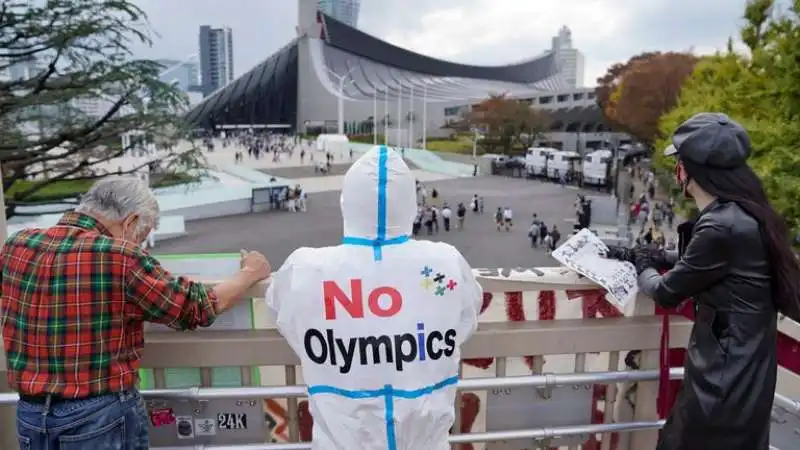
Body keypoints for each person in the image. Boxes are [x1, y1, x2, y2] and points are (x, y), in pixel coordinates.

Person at [0, 177, 271, 449]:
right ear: (130, 222)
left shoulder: (17, 245)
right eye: (141, 236)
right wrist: (250, 273)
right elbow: (197, 305)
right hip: (99, 416)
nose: (140, 245)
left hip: (32, 414)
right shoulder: (121, 257)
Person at [266, 146, 482, 450]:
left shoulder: (305, 267)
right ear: (411, 205)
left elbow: (279, 311)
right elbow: (466, 319)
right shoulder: (445, 261)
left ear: (346, 203)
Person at [610, 113, 800, 450]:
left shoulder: (721, 226)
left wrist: (642, 265)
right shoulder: (748, 213)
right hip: (747, 375)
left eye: (678, 163)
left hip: (720, 383)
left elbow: (667, 292)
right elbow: (710, 266)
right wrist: (656, 257)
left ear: (691, 170)